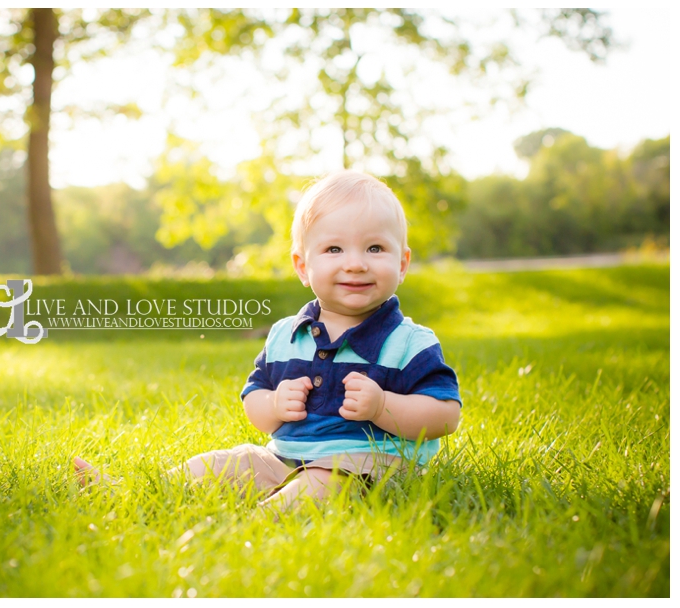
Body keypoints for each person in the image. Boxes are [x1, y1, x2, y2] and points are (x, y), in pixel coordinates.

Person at [74, 170, 462, 511]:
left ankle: (259, 523)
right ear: (303, 267)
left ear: (402, 263)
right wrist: (275, 403)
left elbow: (445, 416)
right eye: (334, 249)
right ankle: (133, 494)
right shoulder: (285, 336)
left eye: (375, 248)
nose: (356, 262)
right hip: (285, 457)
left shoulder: (409, 342)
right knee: (222, 464)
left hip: (365, 467)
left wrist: (383, 407)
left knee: (321, 487)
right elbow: (254, 401)